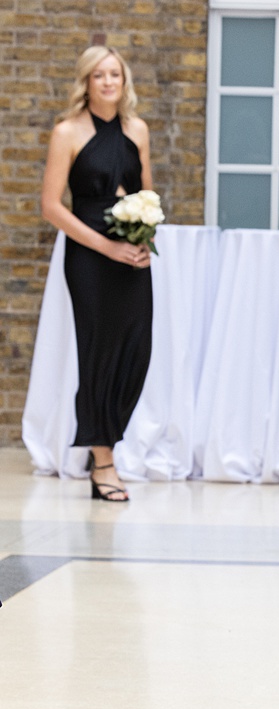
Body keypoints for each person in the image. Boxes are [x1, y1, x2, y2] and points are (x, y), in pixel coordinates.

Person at [40, 45, 154, 502]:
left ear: (124, 82)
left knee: (136, 350)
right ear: (86, 82)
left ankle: (107, 441)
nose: (108, 82)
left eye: (115, 74)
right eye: (99, 75)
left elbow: (146, 194)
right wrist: (108, 246)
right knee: (97, 353)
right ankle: (102, 460)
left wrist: (143, 240)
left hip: (133, 254)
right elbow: (51, 207)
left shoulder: (137, 130)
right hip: (89, 257)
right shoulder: (67, 131)